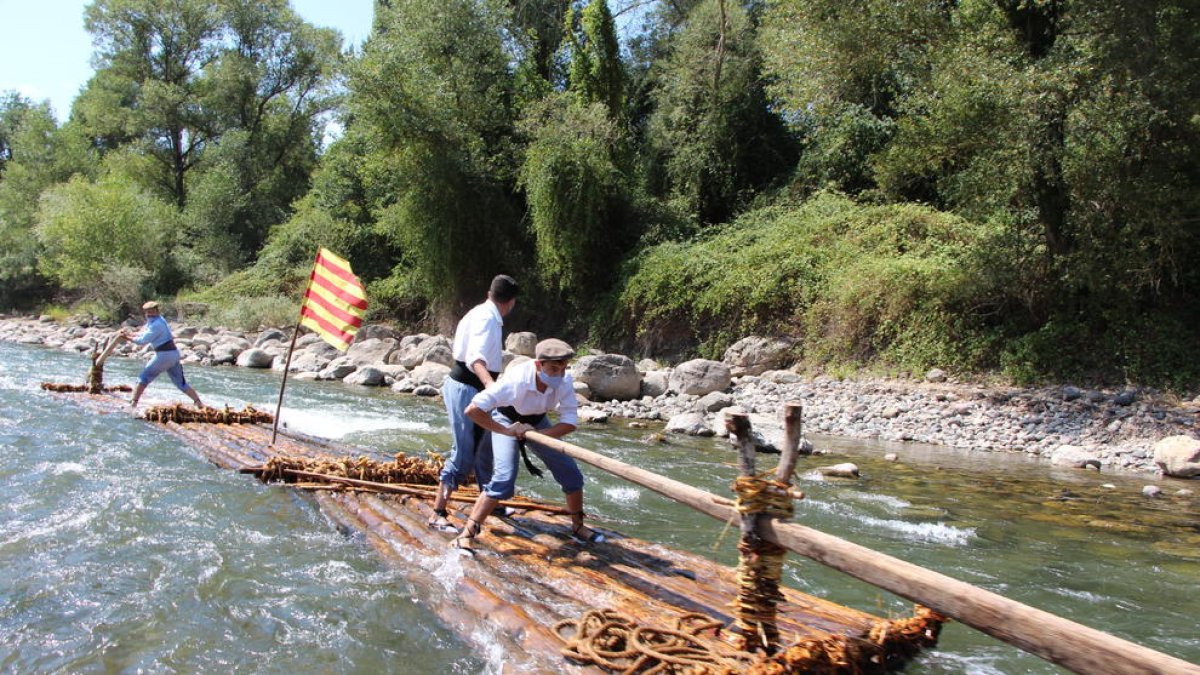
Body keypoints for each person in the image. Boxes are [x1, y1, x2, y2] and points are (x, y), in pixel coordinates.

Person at [451, 338, 604, 553]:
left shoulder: (564, 381)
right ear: (538, 365)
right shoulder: (516, 381)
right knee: (504, 478)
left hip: (538, 422)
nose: (559, 374)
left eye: (563, 368)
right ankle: (466, 533)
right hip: (506, 419)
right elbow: (473, 410)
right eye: (553, 368)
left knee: (571, 474)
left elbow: (569, 422)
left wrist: (536, 434)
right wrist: (507, 431)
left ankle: (578, 527)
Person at [428, 274, 519, 531]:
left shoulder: (479, 312)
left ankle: (491, 502)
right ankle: (438, 512)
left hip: (466, 386)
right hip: (469, 388)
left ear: (490, 293)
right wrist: (491, 387)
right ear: (511, 302)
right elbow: (476, 359)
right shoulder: (488, 319)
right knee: (465, 452)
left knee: (484, 448)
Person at [117, 301, 203, 409]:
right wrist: (130, 334)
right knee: (180, 383)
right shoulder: (159, 320)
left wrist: (127, 338)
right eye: (147, 312)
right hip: (174, 354)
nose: (149, 314)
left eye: (151, 312)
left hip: (164, 355)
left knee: (143, 378)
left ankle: (133, 404)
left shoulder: (156, 325)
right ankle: (198, 403)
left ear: (156, 311)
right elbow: (144, 333)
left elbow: (143, 340)